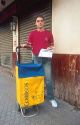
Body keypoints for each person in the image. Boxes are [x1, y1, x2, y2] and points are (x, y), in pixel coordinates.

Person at [21, 15, 58, 108]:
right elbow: (29, 45)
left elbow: (52, 45)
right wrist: (25, 46)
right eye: (38, 21)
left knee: (48, 79)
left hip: (46, 59)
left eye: (41, 21)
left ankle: (51, 98)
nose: (40, 22)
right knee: (36, 79)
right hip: (36, 58)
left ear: (44, 22)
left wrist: (50, 47)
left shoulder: (49, 33)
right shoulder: (32, 34)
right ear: (35, 23)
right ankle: (35, 98)